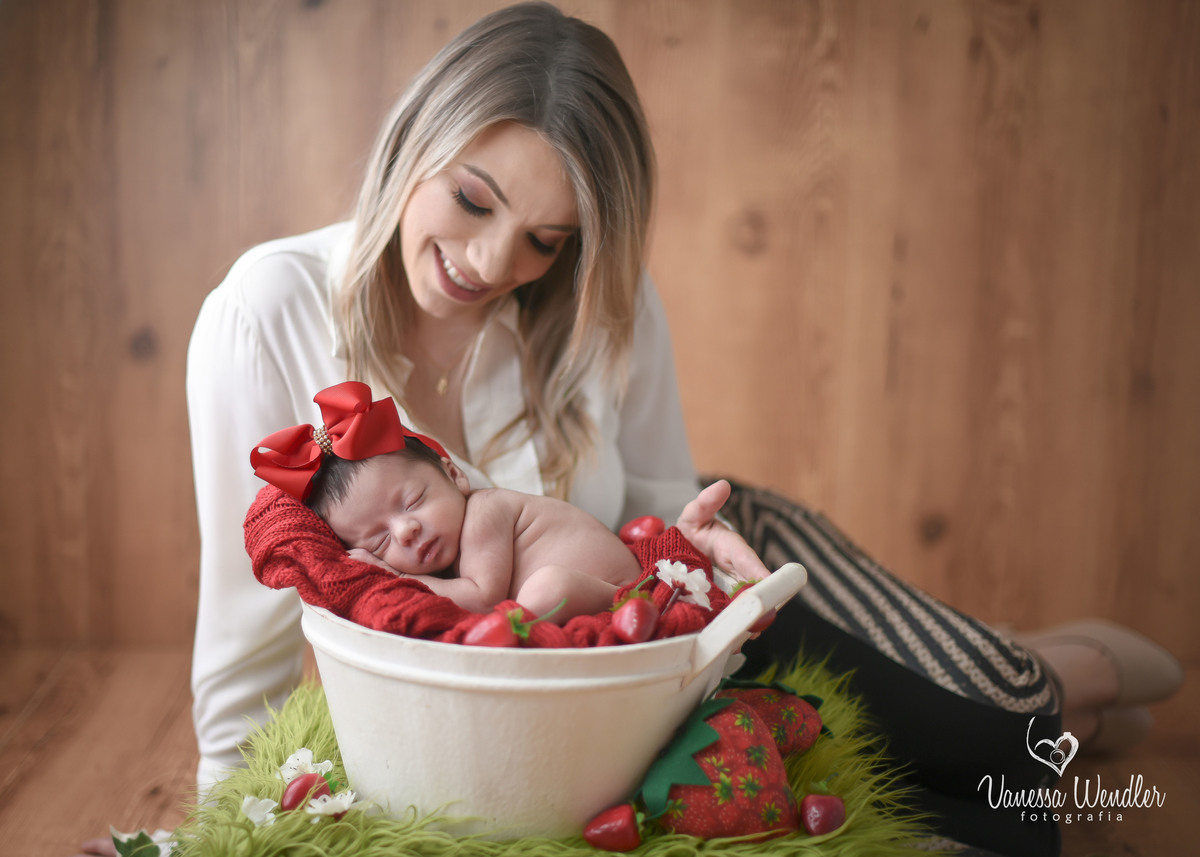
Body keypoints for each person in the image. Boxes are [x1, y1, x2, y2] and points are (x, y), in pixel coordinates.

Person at [160, 4, 1181, 857]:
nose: (486, 259)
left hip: (709, 578)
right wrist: (223, 819)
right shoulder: (269, 310)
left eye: (542, 240)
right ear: (417, 135)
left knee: (1010, 719)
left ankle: (1053, 674)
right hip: (601, 697)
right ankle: (1065, 723)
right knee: (996, 812)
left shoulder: (601, 300)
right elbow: (247, 625)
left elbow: (660, 498)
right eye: (473, 198)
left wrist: (707, 564)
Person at [249, 381, 767, 623]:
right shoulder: (451, 538)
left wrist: (390, 576)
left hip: (625, 593)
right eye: (379, 540)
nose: (405, 531)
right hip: (593, 608)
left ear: (453, 474)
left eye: (412, 500)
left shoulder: (486, 512)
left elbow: (478, 597)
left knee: (548, 585)